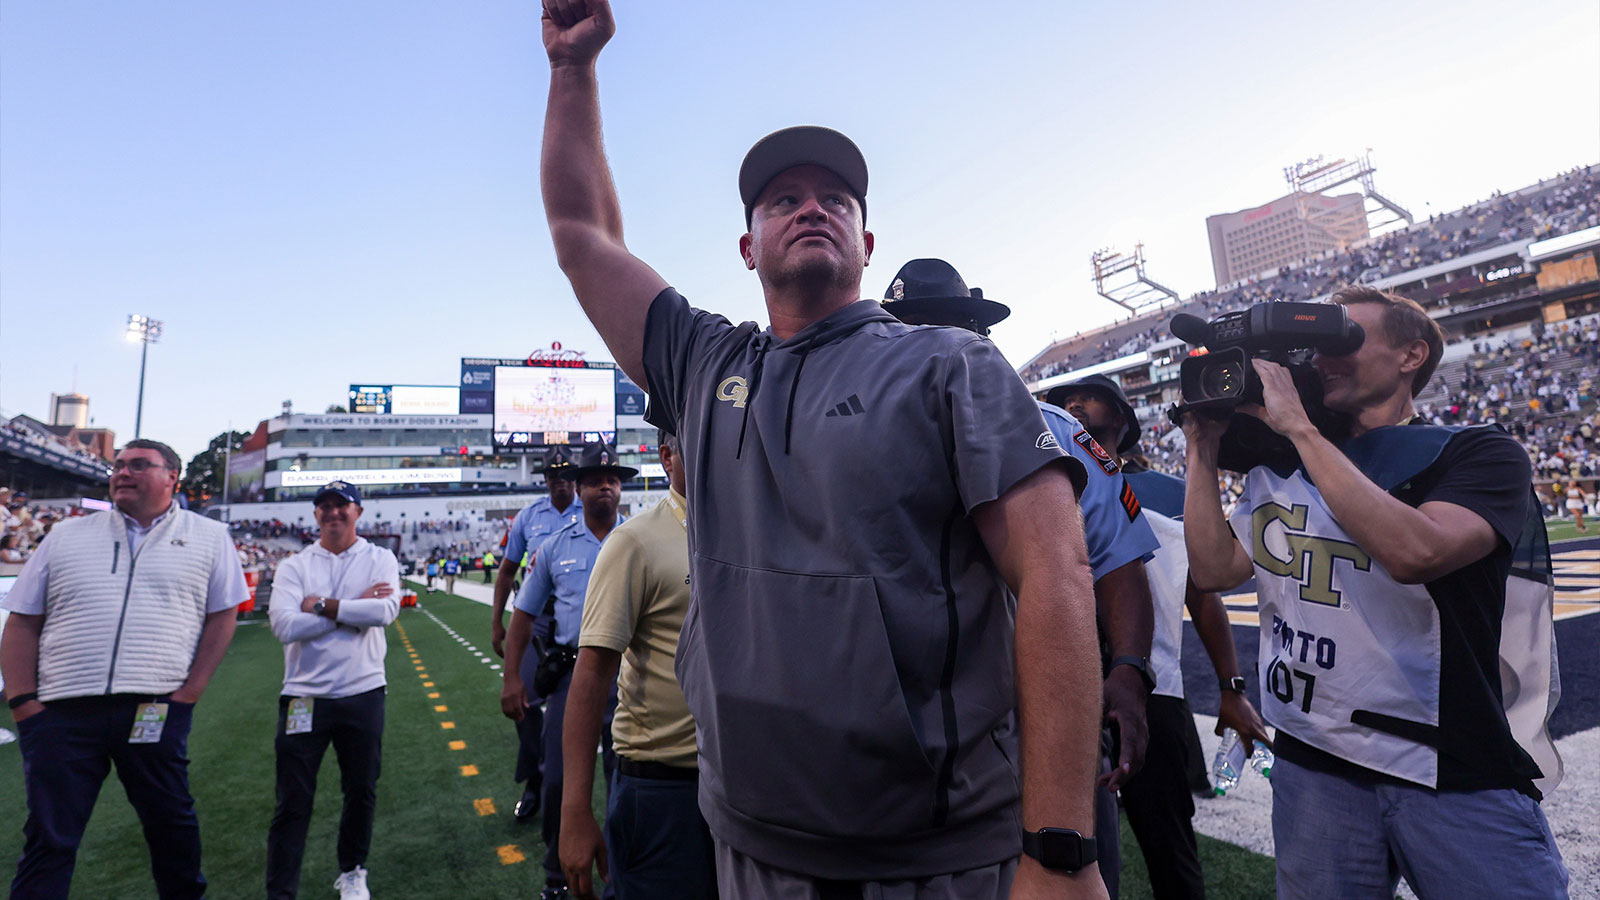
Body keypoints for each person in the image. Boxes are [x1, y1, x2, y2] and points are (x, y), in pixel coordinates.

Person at [539, 4, 1107, 896]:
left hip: (934, 857)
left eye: (834, 199)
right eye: (783, 200)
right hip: (749, 843)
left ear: (866, 241)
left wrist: (1061, 846)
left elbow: (1057, 573)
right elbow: (583, 237)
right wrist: (573, 69)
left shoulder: (950, 365)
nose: (811, 208)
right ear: (748, 245)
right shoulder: (705, 364)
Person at [1182, 286, 1567, 899]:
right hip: (1314, 758)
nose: (1320, 360)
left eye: (1344, 340)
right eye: (1316, 346)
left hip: (1447, 762)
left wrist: (1301, 431)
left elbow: (1419, 552)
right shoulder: (1280, 463)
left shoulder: (1477, 450)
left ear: (1412, 355)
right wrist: (1200, 447)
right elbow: (1212, 570)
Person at [882, 259, 1159, 899]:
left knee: (1067, 869)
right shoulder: (853, 441)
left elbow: (1118, 562)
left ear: (980, 336)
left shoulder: (1058, 433)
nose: (930, 348)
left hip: (1046, 717)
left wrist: (1129, 670)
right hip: (910, 732)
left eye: (945, 329)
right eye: (907, 333)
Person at [1051, 375, 1271, 900]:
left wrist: (1232, 688)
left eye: (1089, 397)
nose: (1073, 405)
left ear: (1123, 421)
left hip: (1154, 687)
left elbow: (1204, 597)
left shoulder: (1174, 494)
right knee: (1065, 849)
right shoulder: (1042, 478)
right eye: (1065, 402)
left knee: (1170, 851)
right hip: (1063, 686)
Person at [0, 439, 245, 900]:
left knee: (172, 828)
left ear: (172, 477)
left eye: (138, 465)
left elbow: (222, 616)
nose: (122, 473)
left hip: (154, 705)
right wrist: (23, 704)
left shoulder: (210, 537)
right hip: (62, 711)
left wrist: (190, 692)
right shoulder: (67, 535)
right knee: (48, 839)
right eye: (117, 465)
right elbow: (22, 620)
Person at [559, 431, 710, 900]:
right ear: (667, 456)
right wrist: (575, 810)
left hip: (746, 778)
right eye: (696, 436)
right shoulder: (635, 542)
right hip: (665, 784)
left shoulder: (750, 528)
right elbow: (591, 675)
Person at [501, 443, 631, 900]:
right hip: (573, 679)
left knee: (626, 780)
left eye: (613, 479)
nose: (606, 486)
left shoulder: (637, 541)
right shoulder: (554, 548)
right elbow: (524, 615)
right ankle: (556, 876)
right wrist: (511, 676)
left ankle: (620, 873)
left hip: (630, 682)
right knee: (557, 779)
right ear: (580, 488)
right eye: (596, 479)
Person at [265, 480, 401, 900]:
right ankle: (281, 888)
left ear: (358, 511)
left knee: (360, 789)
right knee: (292, 801)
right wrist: (350, 608)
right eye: (324, 506)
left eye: (341, 506)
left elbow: (384, 611)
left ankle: (353, 870)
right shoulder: (295, 565)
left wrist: (323, 605)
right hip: (304, 694)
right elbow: (285, 625)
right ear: (316, 514)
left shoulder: (380, 557)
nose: (333, 513)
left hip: (362, 690)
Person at [492, 447, 583, 821]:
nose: (559, 481)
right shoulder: (528, 517)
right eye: (553, 476)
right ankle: (535, 777)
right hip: (536, 619)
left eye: (565, 475)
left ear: (575, 478)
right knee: (523, 701)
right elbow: (507, 570)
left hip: (582, 616)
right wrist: (497, 621)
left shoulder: (591, 509)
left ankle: (558, 779)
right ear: (545, 479)